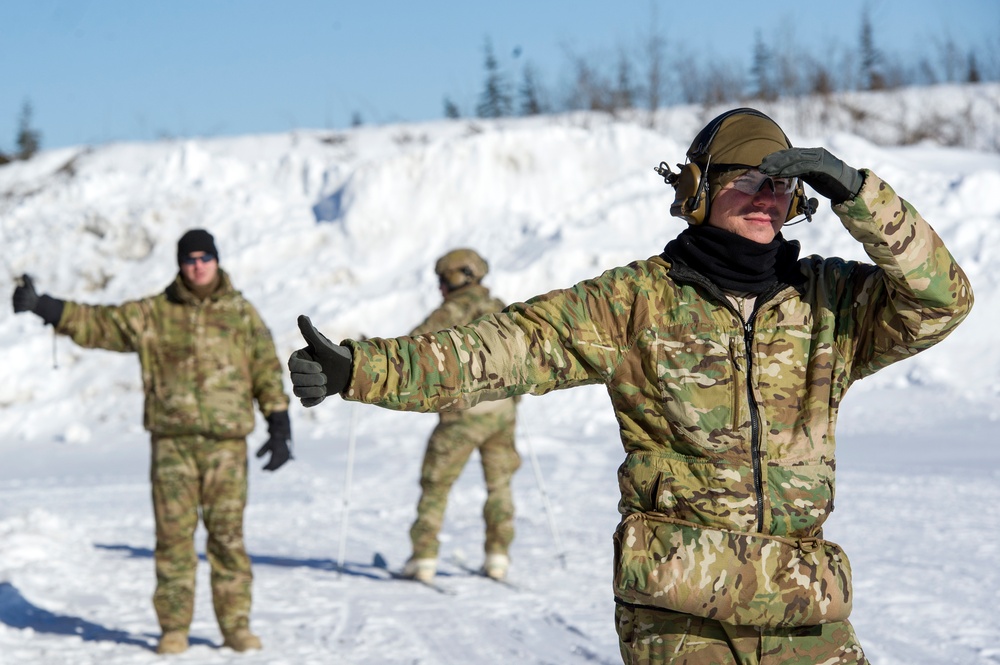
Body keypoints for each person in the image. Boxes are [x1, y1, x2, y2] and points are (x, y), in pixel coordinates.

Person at [286, 108, 973, 664]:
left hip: (805, 612)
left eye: (783, 184)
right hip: (684, 615)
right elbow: (506, 345)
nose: (770, 196)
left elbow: (943, 298)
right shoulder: (637, 301)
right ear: (697, 190)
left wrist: (859, 194)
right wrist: (362, 367)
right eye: (750, 179)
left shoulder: (831, 303)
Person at [12, 229, 292, 655]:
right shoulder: (155, 312)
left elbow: (266, 368)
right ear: (180, 264)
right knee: (173, 539)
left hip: (226, 446)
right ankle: (174, 628)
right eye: (189, 258)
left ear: (216, 260)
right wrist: (45, 307)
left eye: (205, 257)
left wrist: (279, 422)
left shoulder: (241, 313)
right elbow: (100, 323)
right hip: (172, 445)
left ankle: (236, 626)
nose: (198, 265)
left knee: (228, 538)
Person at [399, 249, 519, 584]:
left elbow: (411, 349)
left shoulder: (451, 310)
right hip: (502, 412)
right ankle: (498, 556)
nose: (440, 287)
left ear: (454, 278)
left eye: (442, 279)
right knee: (500, 486)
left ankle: (423, 557)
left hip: (462, 415)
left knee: (436, 484)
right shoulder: (501, 309)